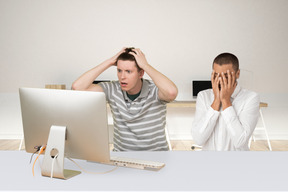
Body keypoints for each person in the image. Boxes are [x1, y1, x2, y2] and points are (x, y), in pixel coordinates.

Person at [72, 47, 178, 151]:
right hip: (123, 157)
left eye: (128, 71)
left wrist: (145, 65)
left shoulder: (155, 90)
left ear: (141, 73)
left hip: (157, 156)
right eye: (119, 70)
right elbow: (77, 88)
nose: (122, 76)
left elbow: (171, 92)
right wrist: (109, 62)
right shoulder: (112, 89)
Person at [191, 53, 260, 151]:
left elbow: (240, 141)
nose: (220, 81)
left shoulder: (251, 98)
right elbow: (198, 139)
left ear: (237, 74)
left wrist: (226, 101)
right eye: (216, 75)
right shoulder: (203, 96)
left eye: (226, 76)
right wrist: (216, 101)